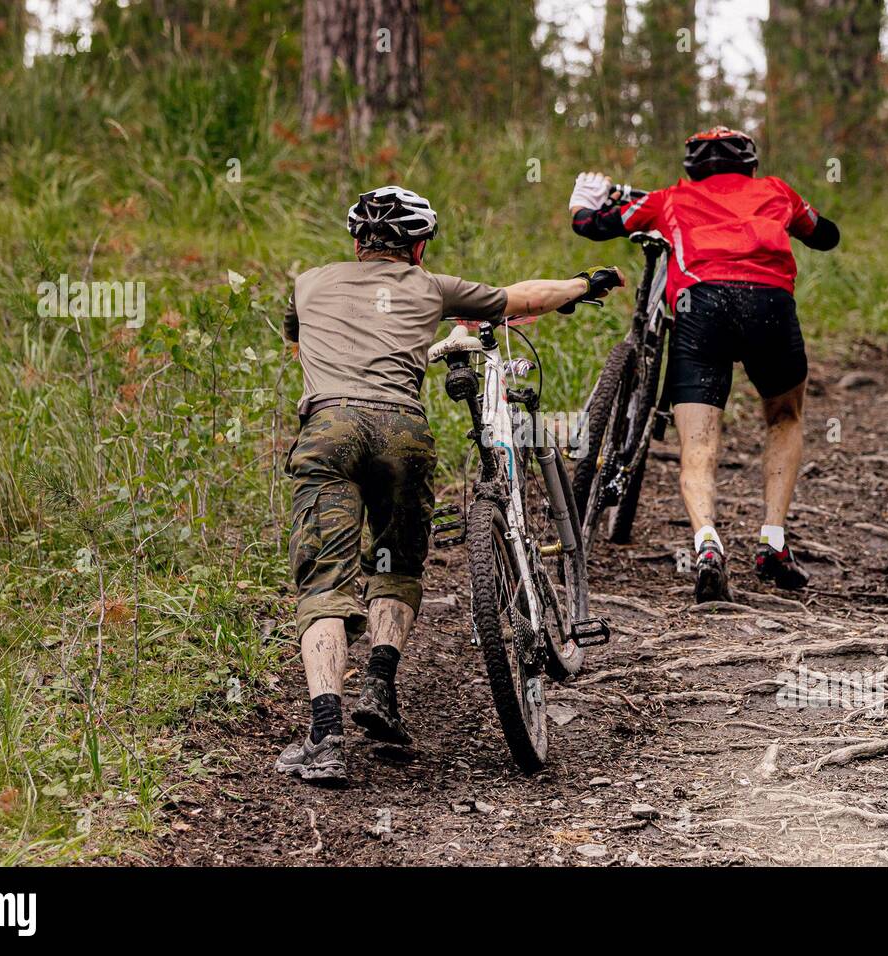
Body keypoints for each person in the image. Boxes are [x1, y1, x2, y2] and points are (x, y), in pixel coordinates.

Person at [276, 185, 623, 785]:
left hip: (328, 428)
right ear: (418, 247)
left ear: (356, 241)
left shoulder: (308, 282)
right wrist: (583, 284)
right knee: (395, 563)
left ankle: (326, 737)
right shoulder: (430, 286)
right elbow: (525, 298)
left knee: (324, 583)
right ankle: (380, 687)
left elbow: (300, 339)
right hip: (401, 432)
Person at [568, 126, 840, 603]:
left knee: (698, 440)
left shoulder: (671, 199)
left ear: (690, 170)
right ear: (752, 165)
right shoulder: (777, 192)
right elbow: (826, 236)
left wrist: (581, 203)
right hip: (769, 307)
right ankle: (773, 541)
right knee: (784, 415)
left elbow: (593, 226)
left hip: (701, 307)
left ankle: (707, 545)